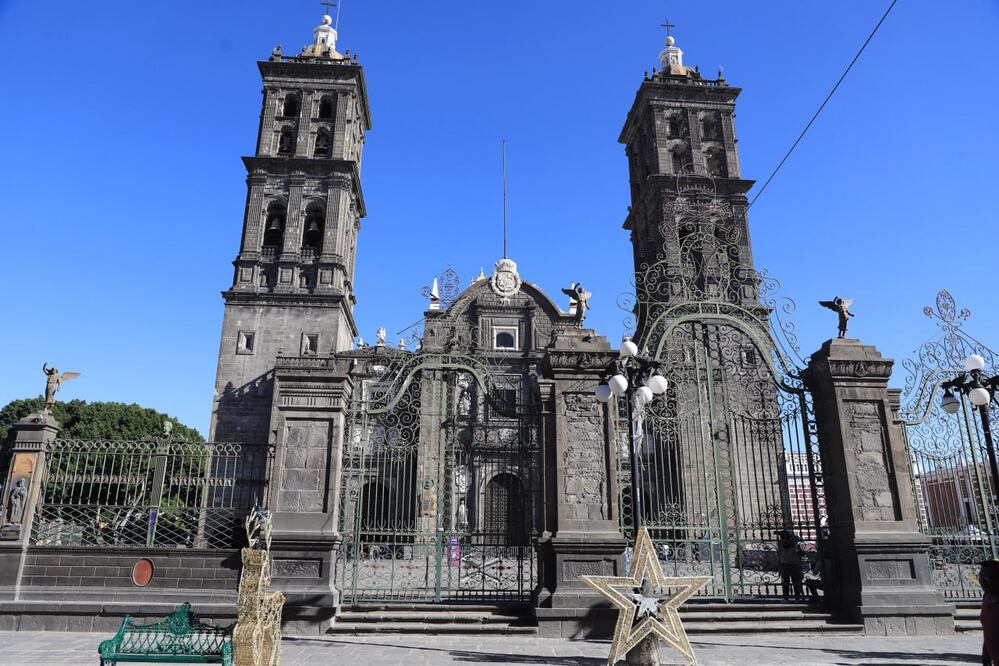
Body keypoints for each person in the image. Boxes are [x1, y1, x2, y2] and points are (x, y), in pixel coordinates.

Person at [980, 560, 999, 665]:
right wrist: (986, 658)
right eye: (980, 576)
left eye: (986, 578)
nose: (981, 581)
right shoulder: (987, 598)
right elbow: (988, 630)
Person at [777, 529, 804, 601]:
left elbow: (779, 553)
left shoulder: (780, 542)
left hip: (785, 563)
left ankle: (786, 597)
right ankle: (797, 597)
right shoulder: (793, 541)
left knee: (786, 582)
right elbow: (797, 538)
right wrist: (790, 535)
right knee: (795, 581)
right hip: (793, 563)